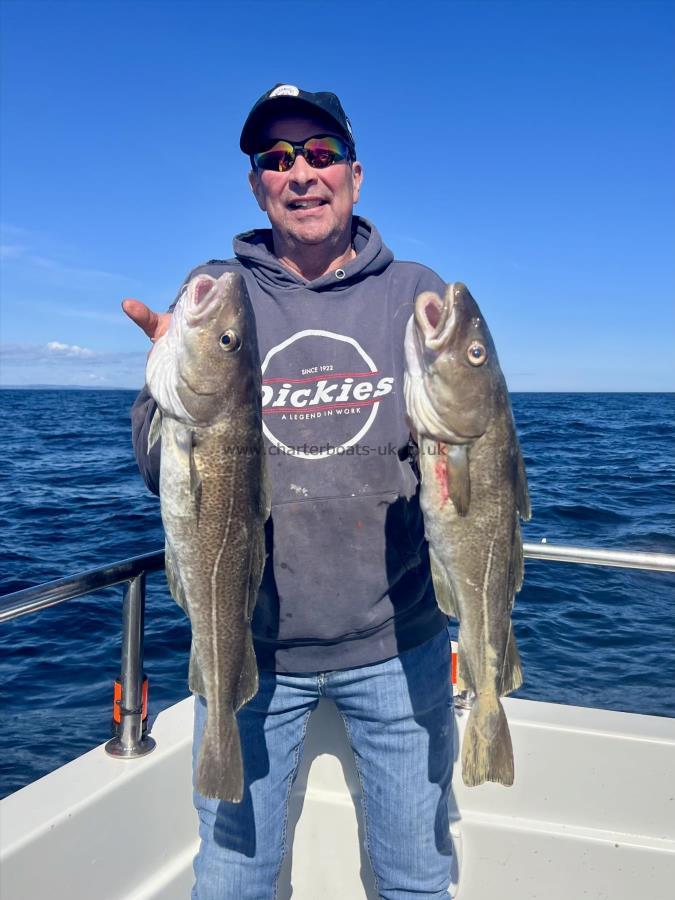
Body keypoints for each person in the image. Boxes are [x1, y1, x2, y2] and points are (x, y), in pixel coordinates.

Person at [125, 84, 455, 900]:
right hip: (249, 648)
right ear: (254, 186)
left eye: (318, 154)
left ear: (354, 172)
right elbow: (152, 461)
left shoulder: (411, 287)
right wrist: (167, 396)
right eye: (275, 160)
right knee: (233, 882)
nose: (299, 173)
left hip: (398, 644)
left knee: (416, 880)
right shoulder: (217, 291)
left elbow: (461, 439)